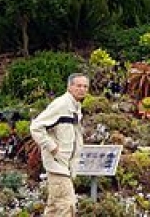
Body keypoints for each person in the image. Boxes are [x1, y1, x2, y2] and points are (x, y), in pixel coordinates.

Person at [30, 74, 89, 216]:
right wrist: (52, 147)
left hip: (65, 165)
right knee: (66, 206)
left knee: (54, 208)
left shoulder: (75, 106)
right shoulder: (61, 104)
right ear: (69, 87)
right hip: (57, 165)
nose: (82, 89)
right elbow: (36, 127)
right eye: (78, 85)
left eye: (85, 86)